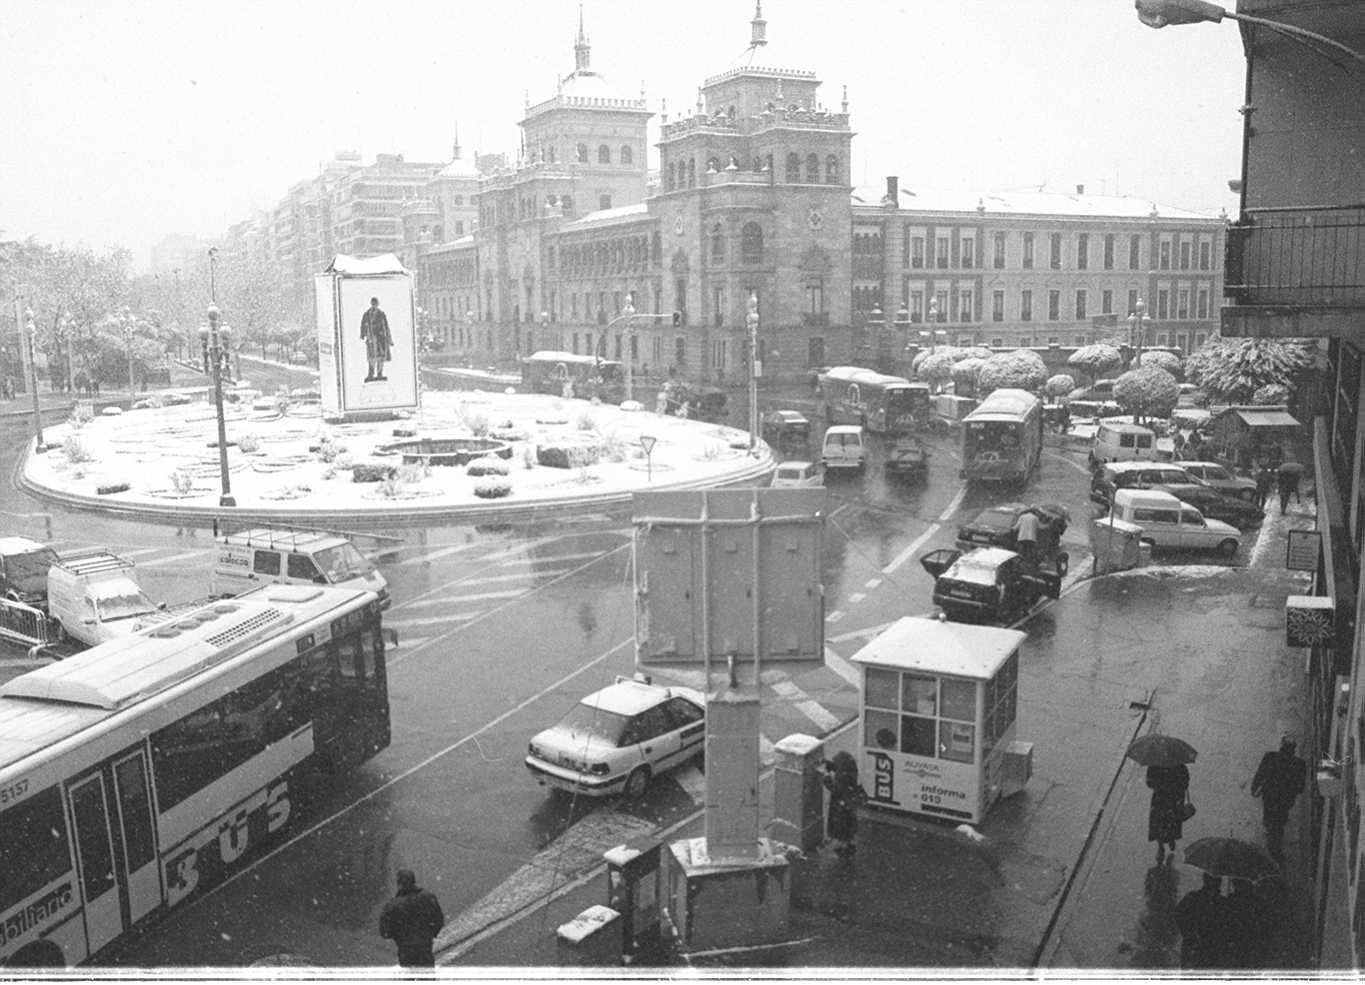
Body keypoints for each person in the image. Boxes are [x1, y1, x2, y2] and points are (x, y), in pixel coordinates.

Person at [1251, 736, 1307, 860]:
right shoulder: (1300, 764)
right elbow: (1300, 788)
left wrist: (1254, 789)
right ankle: (1275, 845)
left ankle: (1270, 844)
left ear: (1281, 746)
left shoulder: (1270, 757)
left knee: (1269, 819)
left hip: (1269, 797)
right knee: (1280, 821)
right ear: (1293, 749)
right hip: (1285, 801)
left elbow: (1260, 774)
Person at [379, 868, 445, 968]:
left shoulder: (392, 905)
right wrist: (430, 934)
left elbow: (384, 932)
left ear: (399, 884)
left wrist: (399, 937)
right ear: (414, 881)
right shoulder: (428, 898)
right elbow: (439, 920)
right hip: (425, 947)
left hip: (405, 950)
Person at [1176, 871, 1228, 970]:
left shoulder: (1192, 898)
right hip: (1209, 953)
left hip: (1198, 952)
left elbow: (1179, 915)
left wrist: (1190, 934)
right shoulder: (1224, 903)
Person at [822, 751, 863, 858]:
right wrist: (830, 765)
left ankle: (845, 850)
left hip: (842, 806)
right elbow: (841, 772)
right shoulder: (850, 768)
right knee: (848, 827)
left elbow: (836, 789)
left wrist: (826, 778)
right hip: (849, 803)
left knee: (842, 826)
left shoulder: (842, 776)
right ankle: (849, 846)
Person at [1146, 762, 1191, 861]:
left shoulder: (1155, 764)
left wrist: (1160, 785)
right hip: (1175, 799)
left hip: (1160, 799)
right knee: (1172, 821)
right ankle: (1171, 838)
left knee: (1159, 823)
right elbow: (1186, 782)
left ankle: (1161, 846)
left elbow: (1149, 782)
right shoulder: (1180, 766)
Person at [360, 296, 394, 383]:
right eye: (373, 304)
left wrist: (389, 340)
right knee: (371, 357)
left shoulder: (381, 314)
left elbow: (386, 327)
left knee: (380, 357)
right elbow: (363, 325)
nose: (374, 305)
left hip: (380, 339)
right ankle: (370, 374)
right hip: (371, 339)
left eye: (376, 304)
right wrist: (363, 334)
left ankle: (380, 373)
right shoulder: (366, 314)